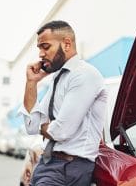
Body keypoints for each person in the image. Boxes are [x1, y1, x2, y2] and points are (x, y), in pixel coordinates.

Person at [19, 20, 107, 185]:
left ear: (67, 44)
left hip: (69, 167)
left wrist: (43, 126)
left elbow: (60, 132)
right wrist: (31, 83)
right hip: (51, 164)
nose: (40, 54)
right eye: (39, 49)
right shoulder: (58, 79)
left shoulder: (84, 75)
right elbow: (31, 126)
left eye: (45, 47)